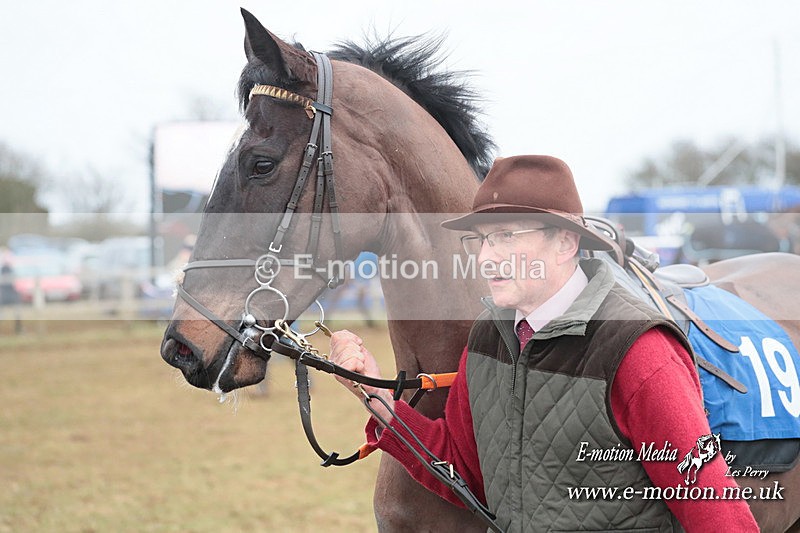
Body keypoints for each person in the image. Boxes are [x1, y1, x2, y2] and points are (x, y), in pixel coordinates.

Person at [329, 155, 758, 532]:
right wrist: (375, 396)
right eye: (481, 240)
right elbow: (465, 472)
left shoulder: (637, 350)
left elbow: (715, 512)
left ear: (566, 242)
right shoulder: (488, 337)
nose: (485, 258)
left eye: (506, 237)